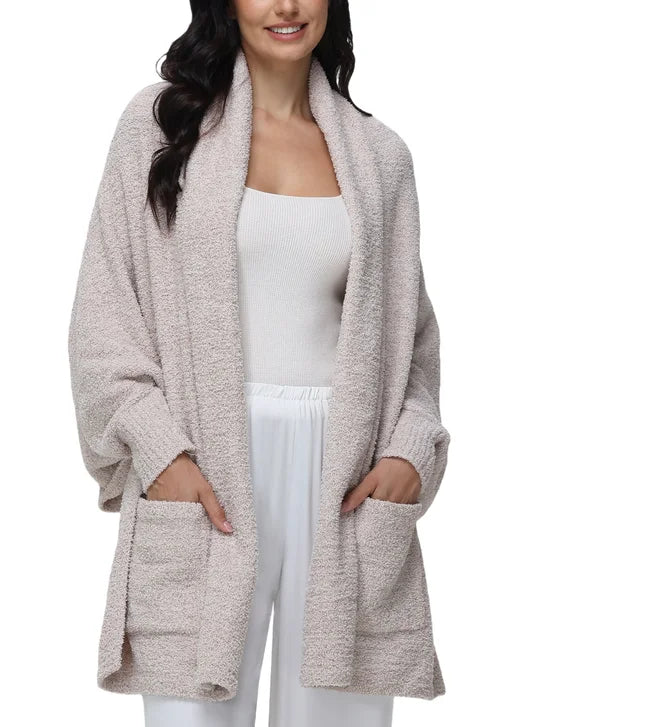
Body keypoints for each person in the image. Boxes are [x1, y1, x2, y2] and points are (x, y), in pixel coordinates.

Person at [67, 1, 451, 725]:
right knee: (191, 708)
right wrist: (159, 452)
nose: (286, 6)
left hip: (344, 472)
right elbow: (104, 314)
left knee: (338, 713)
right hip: (205, 459)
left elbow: (412, 336)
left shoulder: (380, 158)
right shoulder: (162, 126)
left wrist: (409, 450)